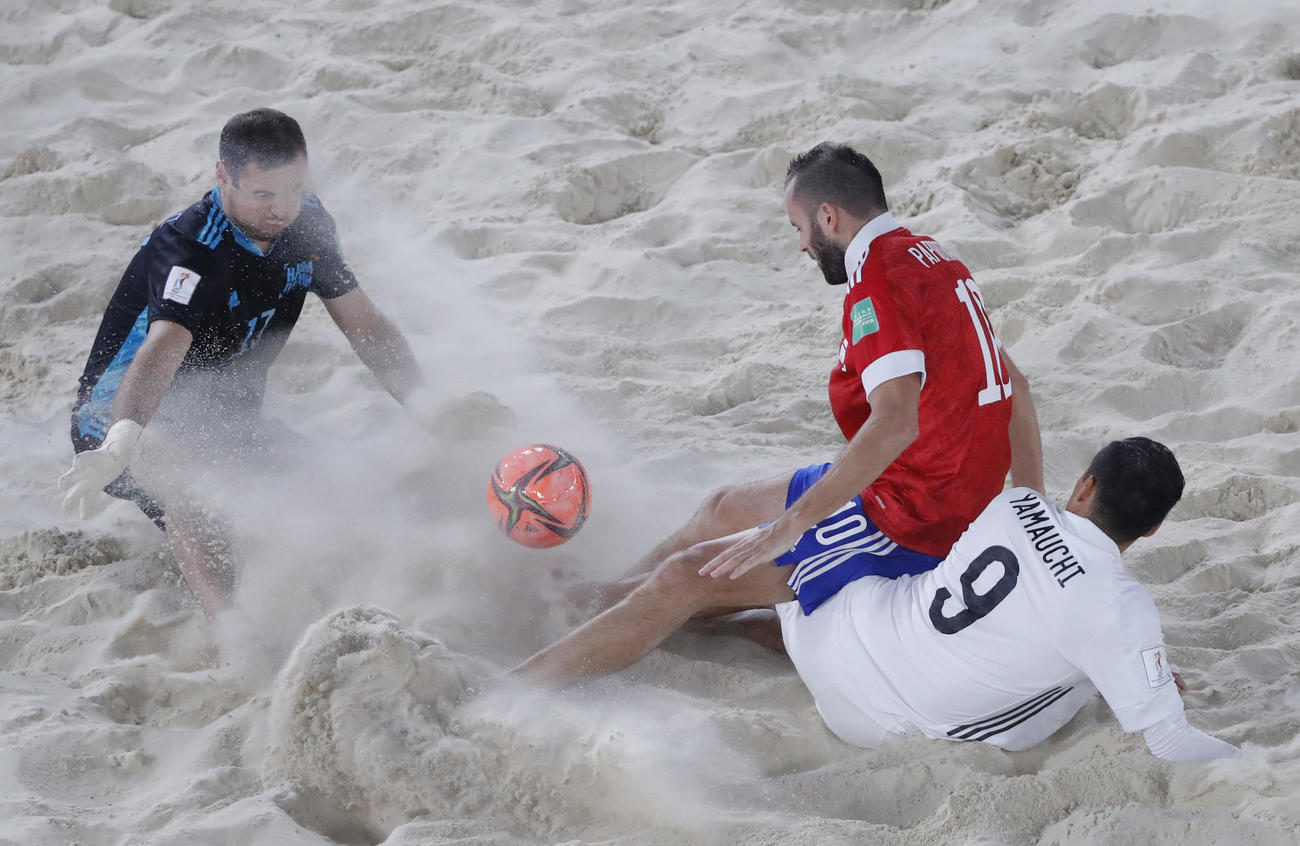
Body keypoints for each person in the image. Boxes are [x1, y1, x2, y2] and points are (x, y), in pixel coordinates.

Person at [516, 437, 1239, 762]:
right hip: (894, 735)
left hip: (842, 648)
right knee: (1070, 669)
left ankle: (605, 617)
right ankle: (699, 618)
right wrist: (1236, 758)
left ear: (1081, 486)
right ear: (1151, 528)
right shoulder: (1121, 610)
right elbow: (1171, 740)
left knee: (868, 574)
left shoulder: (1014, 505)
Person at [59, 108, 508, 618]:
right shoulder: (190, 247)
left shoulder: (308, 223)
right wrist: (124, 435)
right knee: (193, 495)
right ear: (222, 175)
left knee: (321, 491)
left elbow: (364, 323)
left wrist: (428, 407)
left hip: (226, 413)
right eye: (264, 194)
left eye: (294, 188)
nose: (283, 208)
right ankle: (233, 634)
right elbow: (162, 347)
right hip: (124, 418)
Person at [576, 141, 1042, 632]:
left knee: (696, 584)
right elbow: (1020, 389)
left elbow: (894, 424)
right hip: (908, 480)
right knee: (721, 508)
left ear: (827, 217)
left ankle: (587, 615)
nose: (801, 245)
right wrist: (1032, 511)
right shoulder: (934, 256)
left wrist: (792, 524)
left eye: (799, 228)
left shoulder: (880, 283)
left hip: (916, 517)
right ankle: (602, 595)